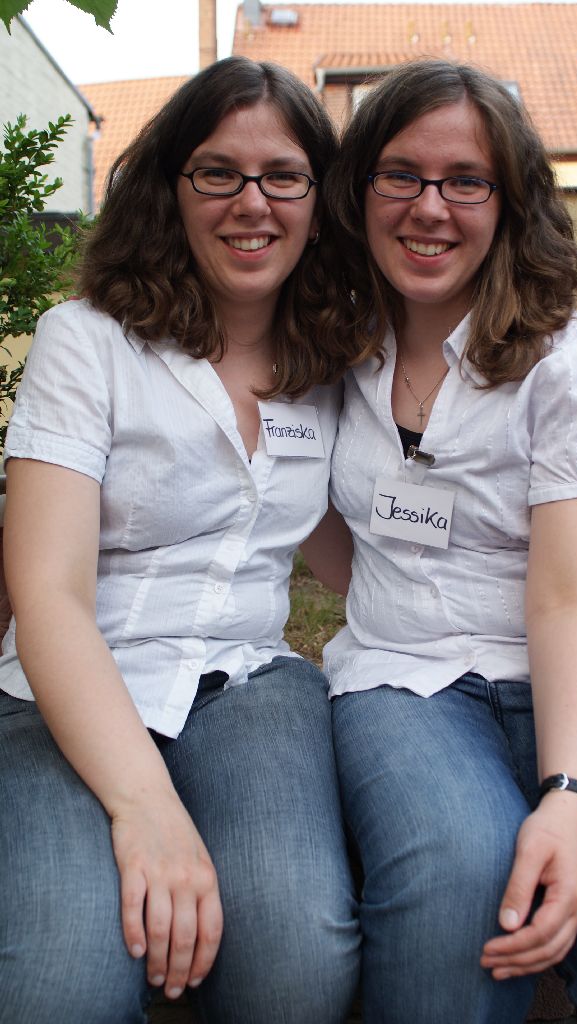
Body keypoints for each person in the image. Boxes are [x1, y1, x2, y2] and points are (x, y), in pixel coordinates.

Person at [318, 59, 577, 1023]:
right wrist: (388, 595)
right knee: (456, 891)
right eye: (400, 174)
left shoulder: (568, 361)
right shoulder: (329, 344)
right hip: (398, 678)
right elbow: (303, 509)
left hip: (566, 673)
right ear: (358, 191)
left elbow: (570, 597)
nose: (429, 207)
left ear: (510, 201)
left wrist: (567, 794)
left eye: (466, 181)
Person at [0, 56, 359, 1024]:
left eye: (283, 175)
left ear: (320, 201)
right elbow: (47, 594)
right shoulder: (87, 341)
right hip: (68, 685)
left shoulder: (331, 362)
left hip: (248, 683)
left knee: (297, 963)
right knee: (65, 983)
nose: (253, 202)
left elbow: (358, 558)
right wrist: (145, 808)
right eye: (218, 172)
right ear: (172, 187)